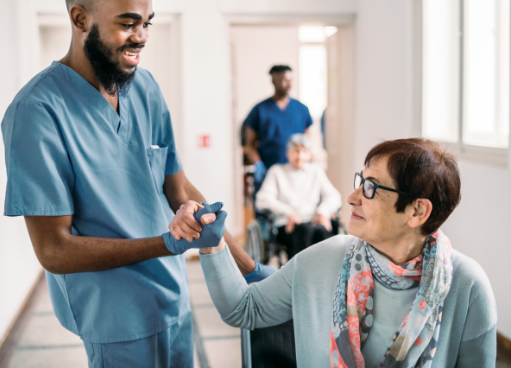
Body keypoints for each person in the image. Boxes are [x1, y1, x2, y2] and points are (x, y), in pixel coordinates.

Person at [1, 0, 227, 368]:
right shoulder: (37, 112)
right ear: (80, 18)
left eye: (146, 23)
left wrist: (251, 271)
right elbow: (54, 250)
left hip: (174, 299)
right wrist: (164, 243)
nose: (141, 36)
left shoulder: (144, 87)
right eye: (127, 23)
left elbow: (175, 186)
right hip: (116, 318)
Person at [198, 138, 497, 367]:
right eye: (360, 180)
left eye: (371, 188)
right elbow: (242, 308)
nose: (352, 197)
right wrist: (213, 243)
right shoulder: (320, 260)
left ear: (417, 211)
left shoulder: (468, 287)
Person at [256, 133, 342, 258]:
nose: (300, 156)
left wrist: (323, 212)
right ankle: (299, 275)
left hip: (313, 219)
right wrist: (288, 212)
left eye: (304, 152)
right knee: (303, 231)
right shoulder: (276, 171)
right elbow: (263, 200)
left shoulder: (315, 171)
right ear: (288, 153)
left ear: (309, 155)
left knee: (322, 232)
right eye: (296, 151)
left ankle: (324, 274)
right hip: (287, 223)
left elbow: (334, 196)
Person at [243, 65, 313, 188]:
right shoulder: (259, 110)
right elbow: (249, 144)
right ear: (273, 81)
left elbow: (307, 141)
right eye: (285, 80)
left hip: (296, 175)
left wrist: (308, 161)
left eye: (291, 81)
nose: (289, 85)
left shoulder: (301, 109)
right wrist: (258, 164)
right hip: (268, 173)